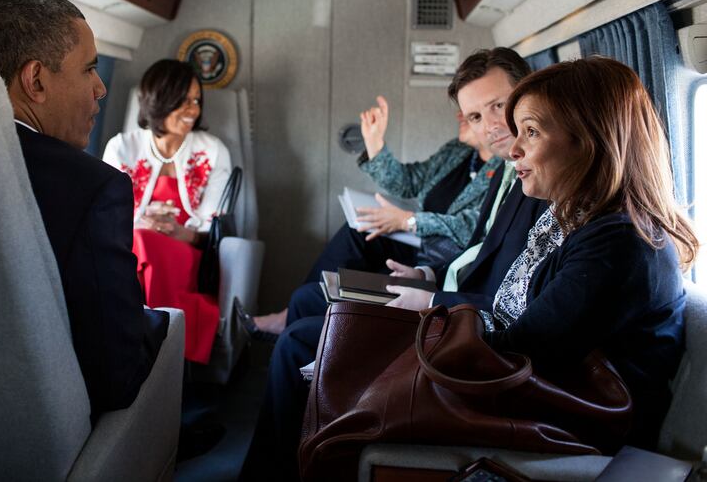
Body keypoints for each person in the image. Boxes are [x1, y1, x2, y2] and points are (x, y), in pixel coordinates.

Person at [240, 48, 545, 481]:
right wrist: (377, 149)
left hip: (453, 311)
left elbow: (487, 266)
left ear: (528, 95)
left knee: (298, 338)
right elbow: (428, 198)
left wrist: (420, 258)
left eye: (498, 106)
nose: (490, 124)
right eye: (475, 115)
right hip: (440, 284)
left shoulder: (526, 179)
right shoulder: (486, 165)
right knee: (318, 291)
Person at [390, 55, 698, 449]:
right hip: (543, 400)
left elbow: (525, 352)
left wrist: (426, 334)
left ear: (589, 140)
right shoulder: (570, 218)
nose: (514, 148)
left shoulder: (619, 243)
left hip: (577, 426)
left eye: (531, 132)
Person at [0, 0, 169, 421]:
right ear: (36, 80)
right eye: (90, 68)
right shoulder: (94, 189)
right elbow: (117, 375)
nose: (101, 87)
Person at [244, 95, 501, 338]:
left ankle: (295, 319)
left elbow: (474, 225)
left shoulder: (505, 170)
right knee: (359, 228)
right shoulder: (457, 152)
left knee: (363, 240)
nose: (460, 116)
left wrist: (409, 221)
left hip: (440, 257)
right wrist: (376, 145)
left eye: (473, 114)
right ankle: (300, 310)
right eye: (468, 112)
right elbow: (408, 182)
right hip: (418, 241)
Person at [103, 59, 231, 364]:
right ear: (158, 100)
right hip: (130, 247)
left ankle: (147, 350)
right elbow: (108, 216)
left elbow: (213, 227)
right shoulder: (121, 147)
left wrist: (178, 231)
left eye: (196, 101)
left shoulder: (212, 151)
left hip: (187, 250)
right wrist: (141, 222)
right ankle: (161, 349)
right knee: (140, 242)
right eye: (183, 101)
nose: (192, 110)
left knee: (144, 243)